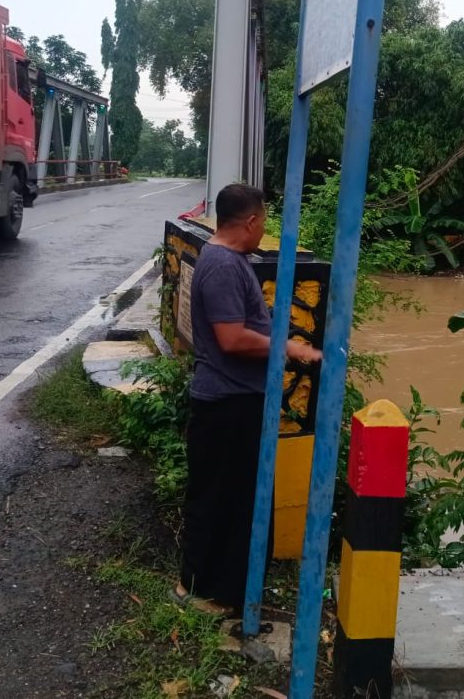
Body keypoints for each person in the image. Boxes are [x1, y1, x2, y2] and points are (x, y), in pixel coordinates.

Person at [172, 183, 322, 613]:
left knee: (233, 498)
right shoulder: (221, 265)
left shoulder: (231, 261)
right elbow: (232, 338)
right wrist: (290, 348)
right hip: (227, 403)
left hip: (237, 400)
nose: (264, 230)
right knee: (221, 497)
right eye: (264, 221)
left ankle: (219, 588)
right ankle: (202, 591)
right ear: (252, 221)